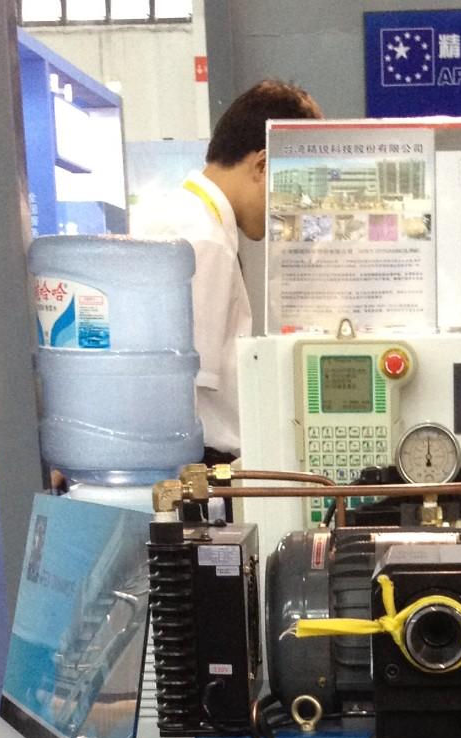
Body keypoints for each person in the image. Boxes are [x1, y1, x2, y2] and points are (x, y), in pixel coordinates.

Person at [178, 79, 322, 461]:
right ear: (262, 165)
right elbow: (186, 387)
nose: (292, 210)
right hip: (203, 461)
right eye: (296, 191)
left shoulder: (187, 219)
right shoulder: (204, 240)